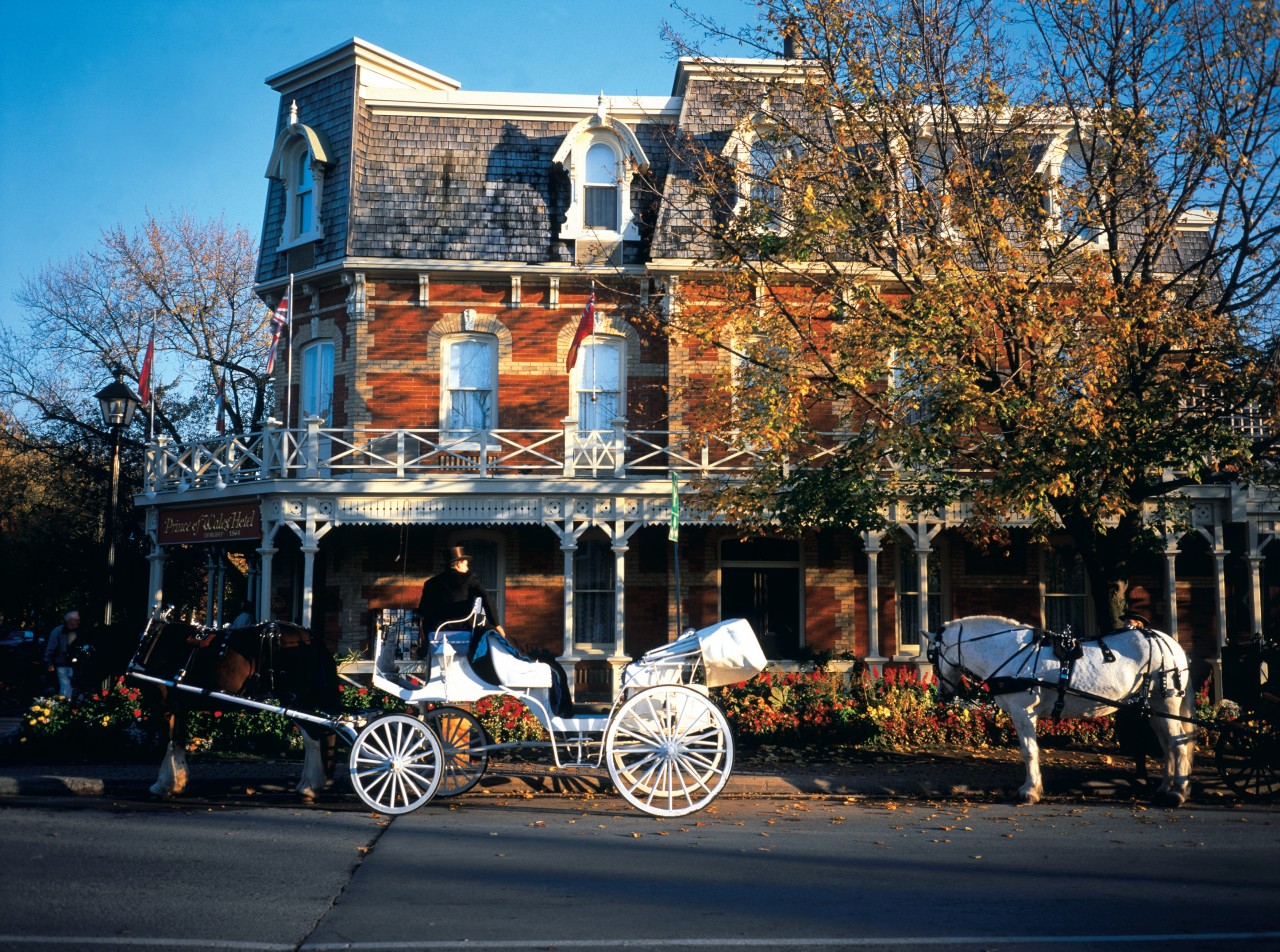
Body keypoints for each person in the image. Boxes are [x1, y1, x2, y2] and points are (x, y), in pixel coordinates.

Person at [417, 546, 504, 656]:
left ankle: (425, 649)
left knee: (426, 621)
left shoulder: (430, 583)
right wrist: (496, 624)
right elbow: (486, 598)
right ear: (458, 564)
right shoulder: (468, 579)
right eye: (466, 565)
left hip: (436, 628)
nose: (467, 568)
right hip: (462, 626)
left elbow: (423, 610)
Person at [43, 610, 80, 699]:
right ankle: (64, 706)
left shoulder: (77, 631)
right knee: (65, 686)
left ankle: (67, 704)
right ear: (70, 621)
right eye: (76, 620)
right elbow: (51, 648)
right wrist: (49, 663)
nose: (78, 622)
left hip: (74, 663)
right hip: (62, 662)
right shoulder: (58, 631)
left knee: (70, 686)